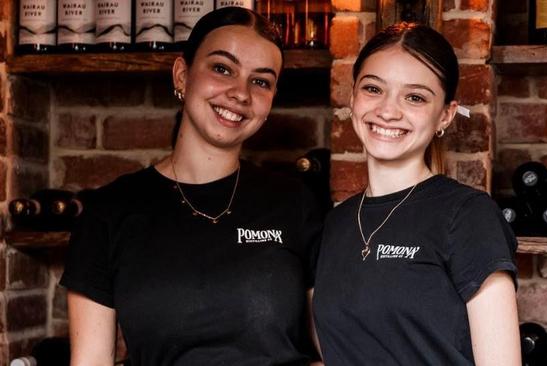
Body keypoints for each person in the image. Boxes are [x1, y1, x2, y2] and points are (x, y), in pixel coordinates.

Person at [61, 7, 322, 366]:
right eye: (222, 68)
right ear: (182, 75)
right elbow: (90, 361)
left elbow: (338, 352)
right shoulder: (109, 213)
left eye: (260, 81)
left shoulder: (294, 203)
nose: (241, 93)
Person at [312, 23, 520, 365]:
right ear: (352, 98)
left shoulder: (468, 216)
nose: (388, 111)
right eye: (374, 89)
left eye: (415, 97)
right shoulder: (337, 223)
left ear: (445, 115)